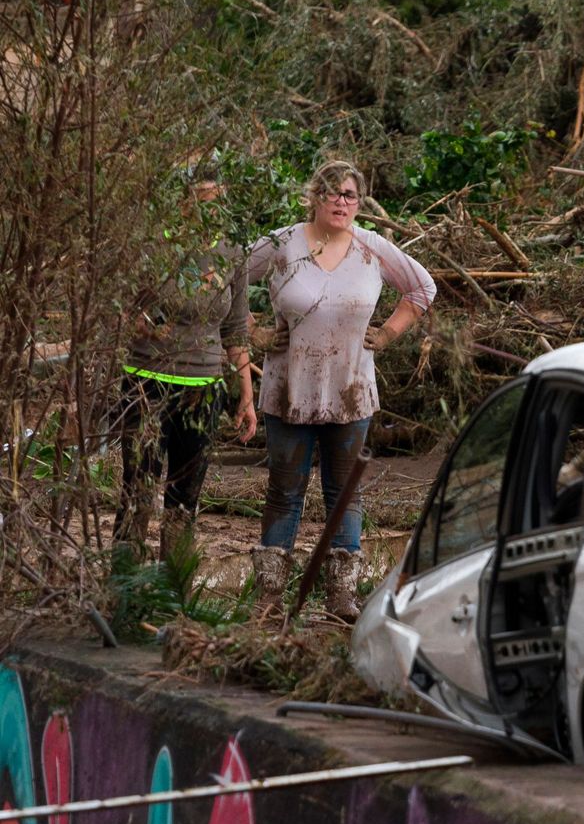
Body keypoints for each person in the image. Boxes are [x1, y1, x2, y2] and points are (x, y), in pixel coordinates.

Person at [241, 160, 435, 619]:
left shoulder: (372, 248)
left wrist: (387, 334)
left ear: (359, 201)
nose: (342, 202)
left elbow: (422, 288)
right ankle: (270, 599)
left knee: (345, 493)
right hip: (289, 390)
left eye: (350, 195)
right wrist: (254, 333)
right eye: (333, 193)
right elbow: (224, 280)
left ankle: (340, 598)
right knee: (284, 492)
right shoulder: (282, 244)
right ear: (314, 195)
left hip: (351, 392)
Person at [114, 170, 257, 563]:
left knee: (185, 497)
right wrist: (136, 322)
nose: (205, 208)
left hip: (203, 388)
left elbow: (236, 328)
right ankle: (124, 589)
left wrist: (246, 394)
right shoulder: (150, 241)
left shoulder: (232, 248)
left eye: (213, 200)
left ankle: (173, 591)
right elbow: (117, 303)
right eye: (197, 199)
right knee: (138, 489)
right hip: (147, 383)